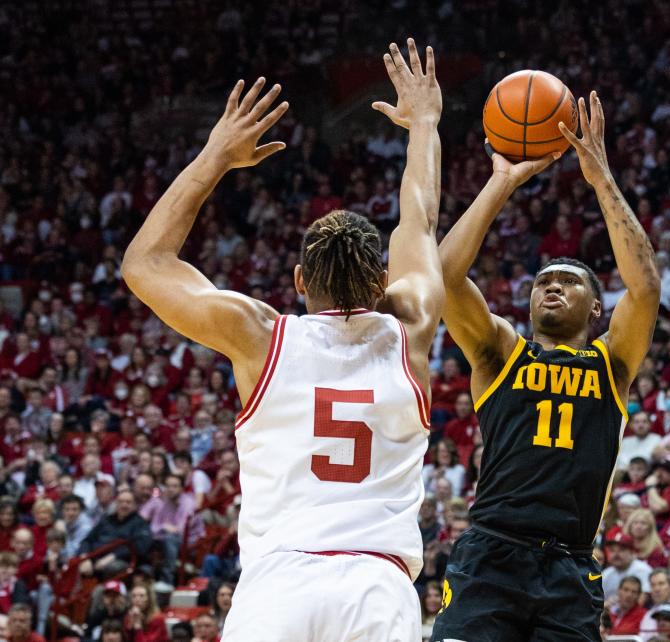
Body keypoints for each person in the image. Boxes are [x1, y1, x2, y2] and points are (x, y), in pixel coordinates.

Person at [121, 39, 444, 641]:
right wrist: (423, 123)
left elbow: (144, 264)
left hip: (277, 586)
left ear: (297, 282)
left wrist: (216, 155)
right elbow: (419, 219)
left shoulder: (260, 337)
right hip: (376, 586)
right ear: (382, 281)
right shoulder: (412, 327)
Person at [430, 91, 660, 642]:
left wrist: (600, 176)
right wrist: (502, 182)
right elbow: (444, 276)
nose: (552, 287)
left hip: (569, 563)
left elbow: (646, 284)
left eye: (569, 282)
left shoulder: (612, 361)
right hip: (490, 551)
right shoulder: (502, 352)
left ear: (596, 306)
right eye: (543, 282)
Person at [602, 531, 653, 601]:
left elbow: (642, 601)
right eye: (612, 550)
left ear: (632, 552)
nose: (616, 554)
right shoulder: (606, 574)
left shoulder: (643, 570)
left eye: (621, 550)